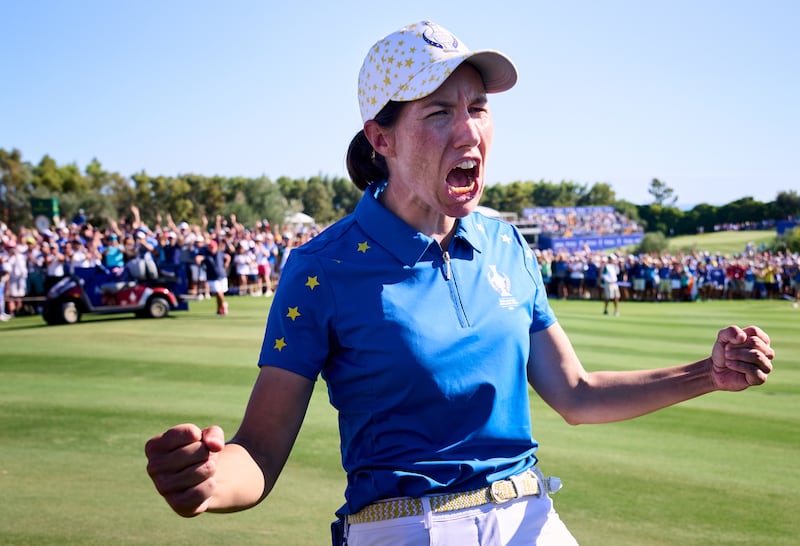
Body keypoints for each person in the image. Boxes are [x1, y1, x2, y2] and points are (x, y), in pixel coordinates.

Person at [145, 20, 775, 545]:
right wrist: (208, 479)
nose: (469, 130)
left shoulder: (507, 243)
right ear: (381, 137)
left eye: (478, 108)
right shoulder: (321, 268)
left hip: (530, 518)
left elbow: (577, 394)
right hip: (402, 528)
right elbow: (259, 451)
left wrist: (706, 373)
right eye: (440, 112)